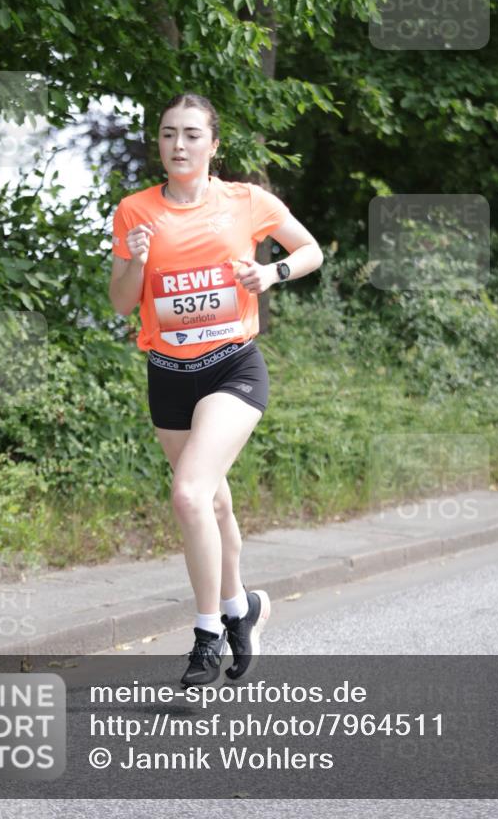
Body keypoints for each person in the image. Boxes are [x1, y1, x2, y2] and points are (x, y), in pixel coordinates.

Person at [109, 92, 323, 687]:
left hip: (234, 368)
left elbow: (310, 250)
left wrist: (271, 271)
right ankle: (242, 608)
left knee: (188, 495)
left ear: (213, 145)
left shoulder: (245, 200)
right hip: (169, 375)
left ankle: (205, 637)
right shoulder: (134, 211)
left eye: (192, 135)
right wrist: (134, 262)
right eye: (169, 134)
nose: (179, 145)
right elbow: (122, 301)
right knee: (216, 503)